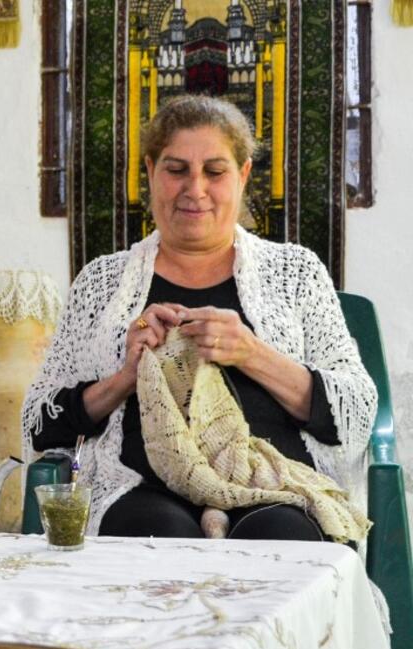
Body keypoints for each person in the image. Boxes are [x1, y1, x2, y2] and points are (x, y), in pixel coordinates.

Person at [22, 95, 376, 542]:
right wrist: (125, 378)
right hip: (141, 487)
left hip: (274, 485)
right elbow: (40, 421)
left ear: (243, 175)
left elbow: (355, 410)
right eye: (176, 170)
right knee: (157, 533)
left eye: (214, 171)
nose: (195, 188)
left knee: (280, 535)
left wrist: (251, 352)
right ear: (150, 171)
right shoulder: (101, 283)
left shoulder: (296, 273)